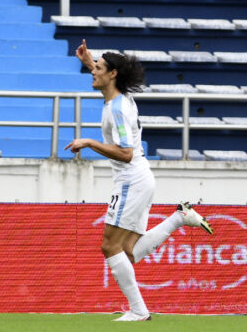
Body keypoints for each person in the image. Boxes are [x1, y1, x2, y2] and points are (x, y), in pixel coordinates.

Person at [65, 40, 213, 322]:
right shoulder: (116, 98)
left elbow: (126, 153)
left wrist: (89, 142)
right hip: (140, 178)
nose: (93, 71)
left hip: (130, 180)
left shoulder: (118, 109)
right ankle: (180, 218)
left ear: (113, 75)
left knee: (110, 247)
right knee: (127, 251)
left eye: (98, 68)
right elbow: (105, 76)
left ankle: (138, 310)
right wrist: (89, 60)